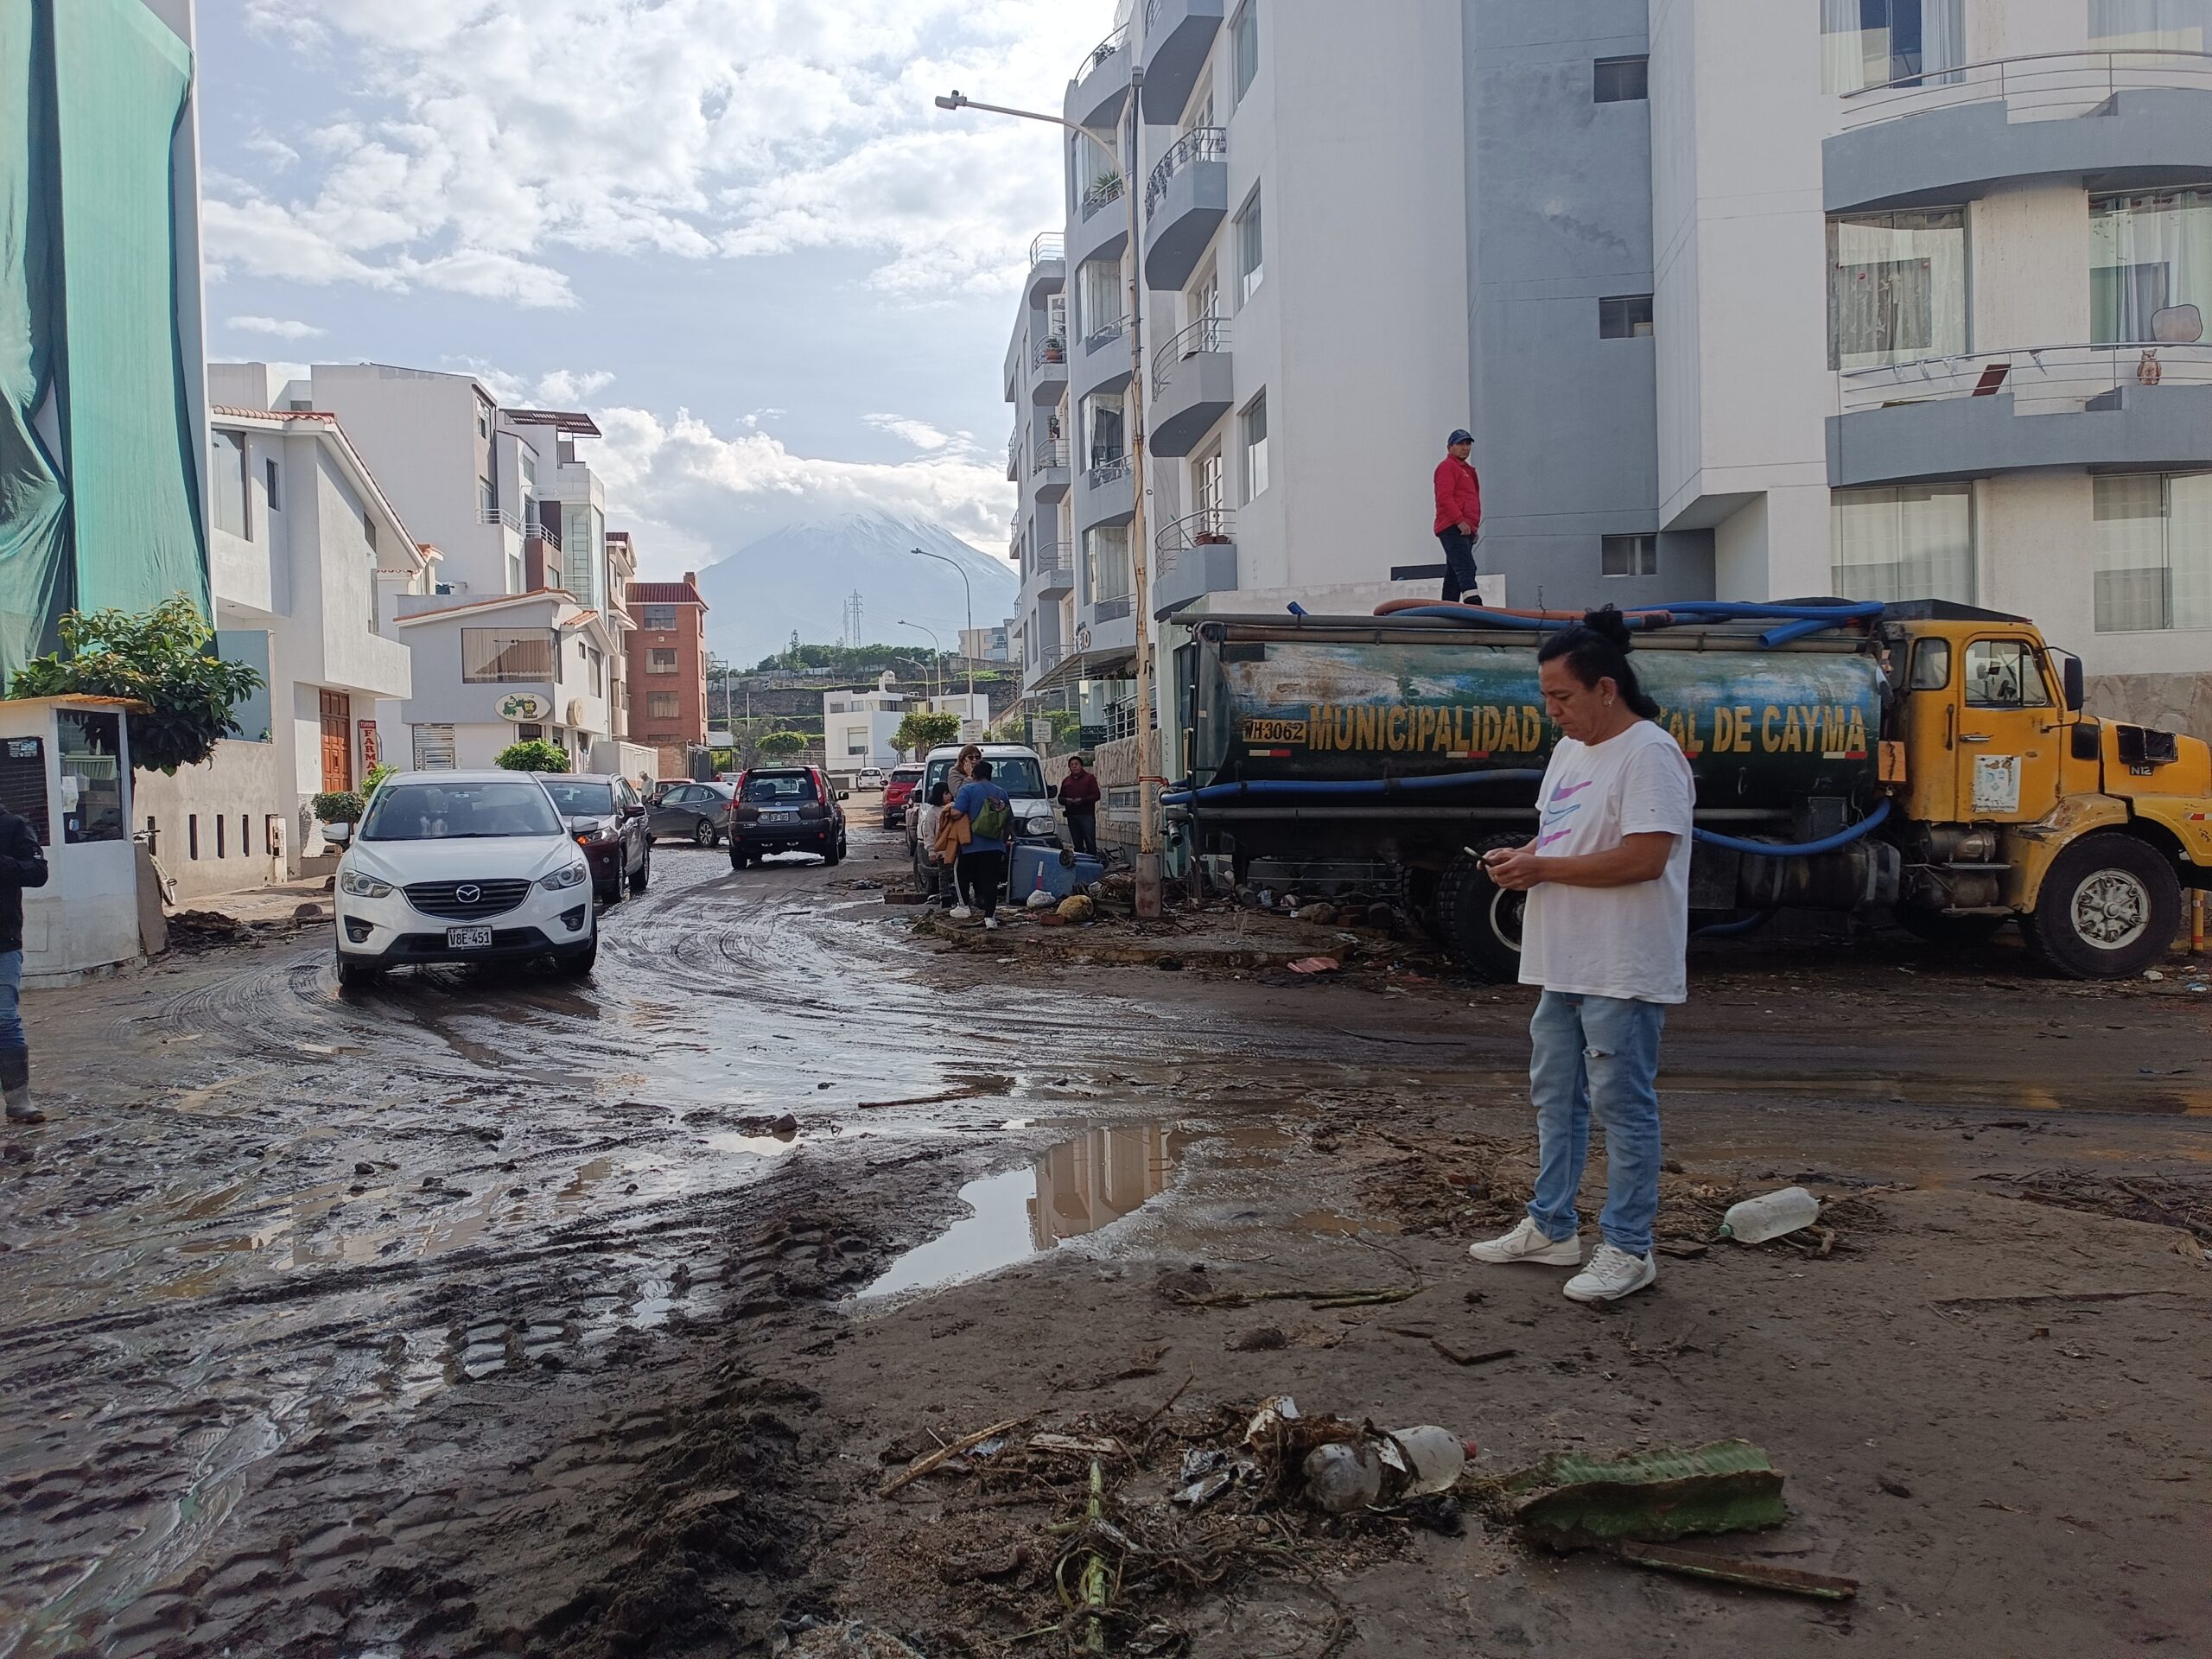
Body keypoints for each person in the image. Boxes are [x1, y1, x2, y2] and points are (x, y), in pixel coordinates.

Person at [1467, 607, 1693, 1304]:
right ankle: (1552, 1226)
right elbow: (1560, 835)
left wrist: (1545, 871)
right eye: (1545, 697)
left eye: (1561, 696)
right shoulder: (1571, 752)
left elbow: (1646, 858)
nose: (1552, 711)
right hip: (1562, 958)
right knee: (1555, 1099)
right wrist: (1523, 857)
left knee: (1622, 1105)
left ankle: (1629, 1248)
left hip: (1621, 964)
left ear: (1606, 689)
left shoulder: (1649, 753)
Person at [0, 799, 50, 1123]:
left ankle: (19, 1100)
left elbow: (37, 872)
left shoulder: (13, 827)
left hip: (3, 942)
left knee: (4, 1019)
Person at [950, 759, 1014, 930]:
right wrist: (1003, 840)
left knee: (961, 872)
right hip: (994, 846)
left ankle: (963, 906)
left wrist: (949, 808)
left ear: (974, 774)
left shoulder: (968, 789)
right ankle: (990, 918)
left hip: (970, 844)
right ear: (990, 775)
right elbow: (1008, 822)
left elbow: (956, 813)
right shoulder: (1002, 792)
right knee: (990, 881)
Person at [1433, 428, 1484, 604]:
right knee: (1466, 567)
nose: (1465, 447)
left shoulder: (1467, 471)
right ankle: (1474, 603)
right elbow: (1444, 497)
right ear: (1450, 447)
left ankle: (1448, 608)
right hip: (1452, 526)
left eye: (1467, 443)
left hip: (1463, 527)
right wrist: (1460, 521)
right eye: (1460, 443)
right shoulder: (1448, 467)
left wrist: (1472, 528)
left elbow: (1469, 500)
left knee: (1454, 572)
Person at [918, 782, 959, 912]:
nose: (949, 796)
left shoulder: (955, 809)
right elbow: (929, 832)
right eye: (945, 793)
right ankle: (945, 899)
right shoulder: (933, 812)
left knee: (958, 874)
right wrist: (931, 850)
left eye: (950, 793)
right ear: (938, 795)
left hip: (956, 849)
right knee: (944, 874)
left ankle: (959, 899)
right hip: (942, 850)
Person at [1058, 753, 1101, 856]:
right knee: (1077, 843)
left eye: (1076, 764)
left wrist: (1081, 800)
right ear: (1069, 767)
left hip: (1087, 815)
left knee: (1090, 841)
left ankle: (1092, 863)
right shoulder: (1066, 781)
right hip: (1072, 816)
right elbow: (1060, 798)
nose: (1074, 766)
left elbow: (1096, 795)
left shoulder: (1089, 778)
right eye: (1072, 765)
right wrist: (1067, 800)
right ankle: (1080, 864)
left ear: (1081, 766)